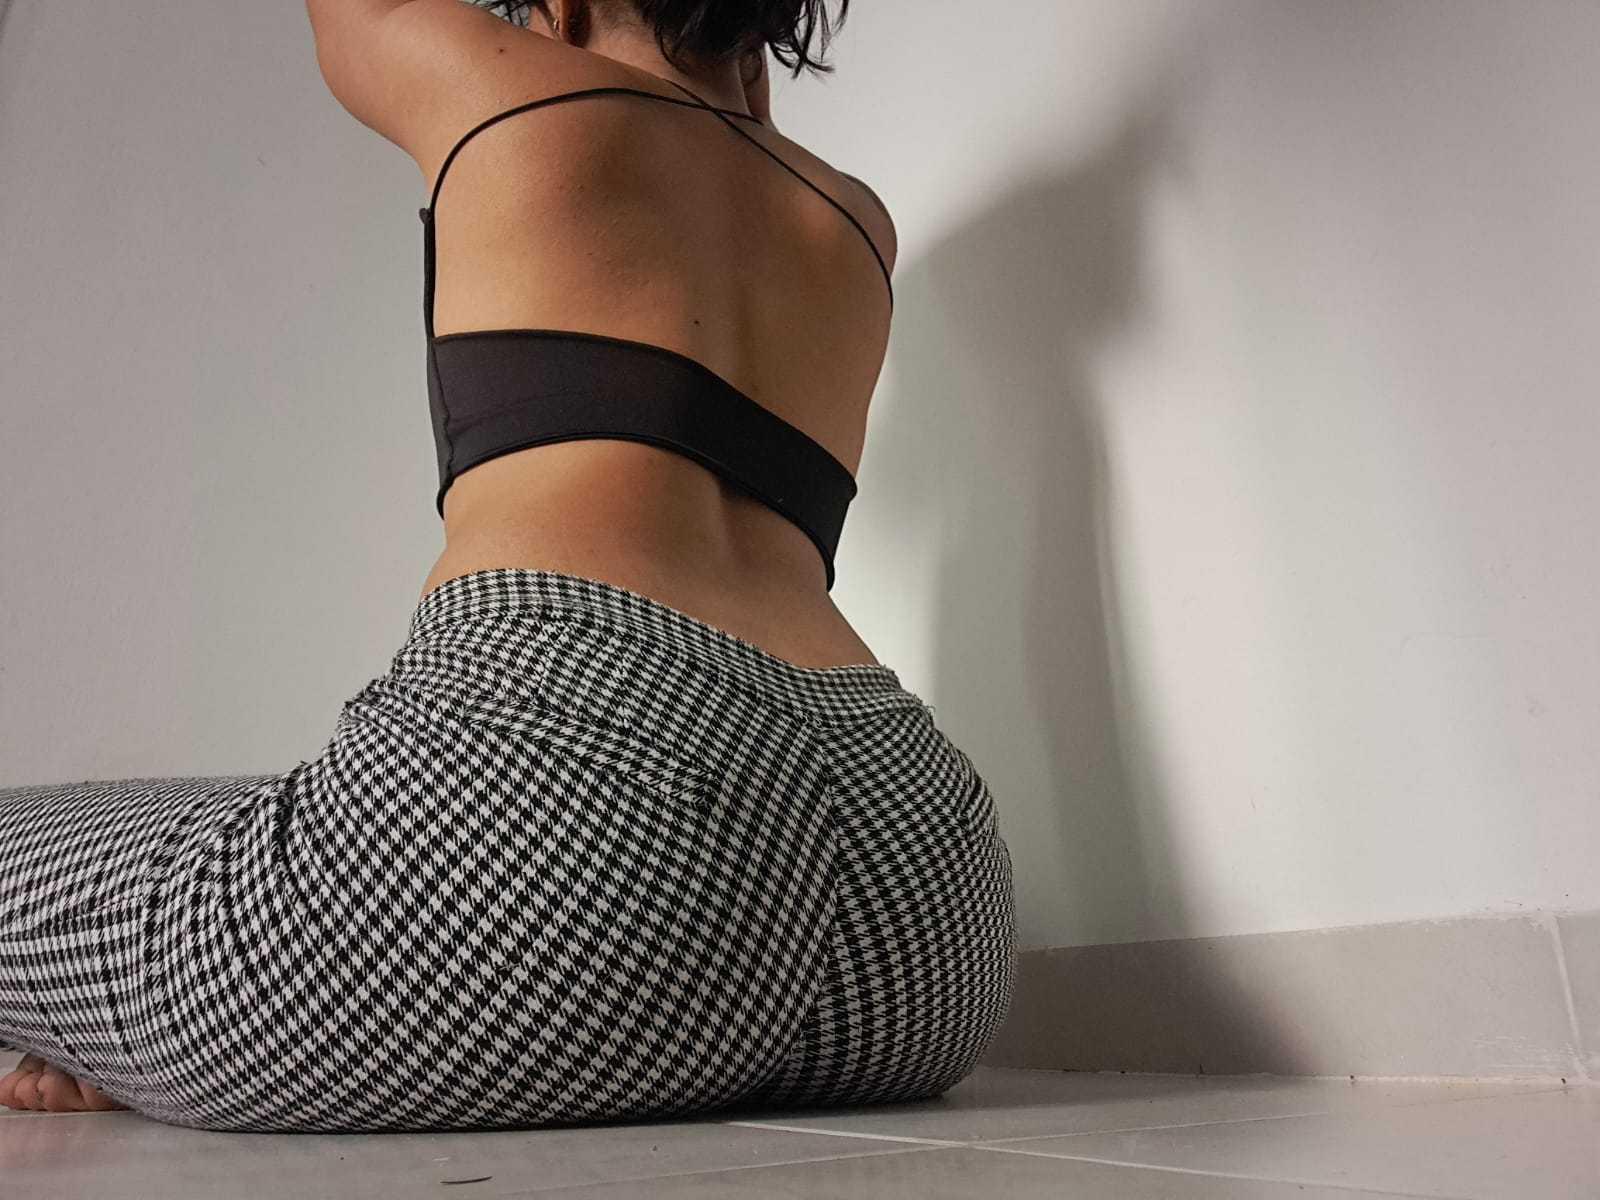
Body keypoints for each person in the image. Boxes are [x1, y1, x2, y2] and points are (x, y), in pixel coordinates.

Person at [0, 0, 1016, 1130]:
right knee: (213, 817)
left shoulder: (513, 94)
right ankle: (102, 1027)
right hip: (919, 907)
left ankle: (102, 1022)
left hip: (582, 868)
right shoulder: (855, 223)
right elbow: (730, 137)